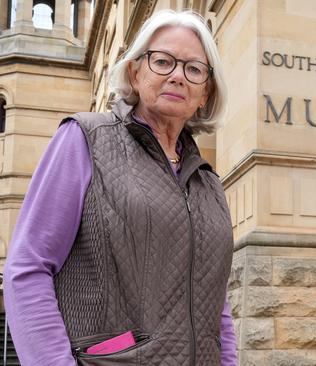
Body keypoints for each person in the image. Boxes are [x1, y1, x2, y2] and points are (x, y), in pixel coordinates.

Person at [3, 10, 237, 366]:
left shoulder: (208, 181)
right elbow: (28, 268)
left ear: (206, 91)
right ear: (135, 71)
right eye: (163, 61)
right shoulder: (86, 138)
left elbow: (216, 306)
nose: (177, 76)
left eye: (193, 68)